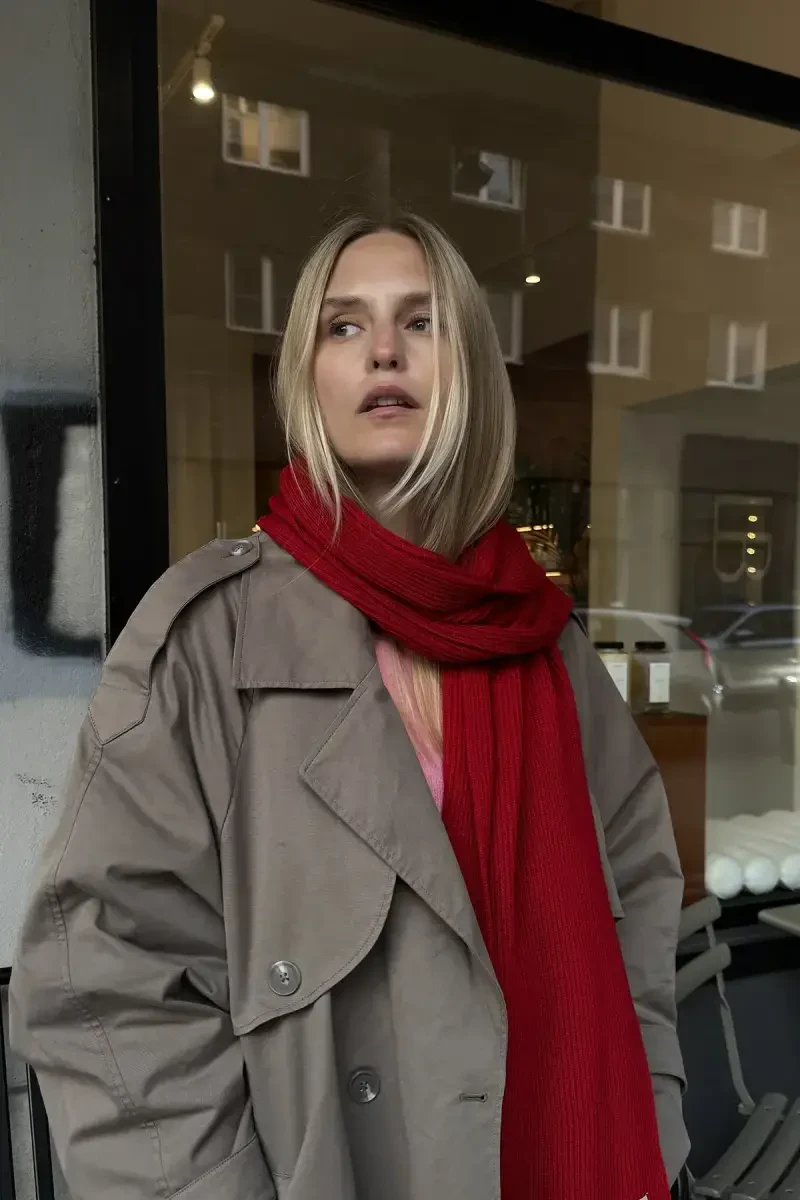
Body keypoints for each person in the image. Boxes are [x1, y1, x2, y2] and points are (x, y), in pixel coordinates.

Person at [10, 213, 689, 1200]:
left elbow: (639, 905)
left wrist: (652, 1110)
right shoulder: (208, 637)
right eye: (343, 326)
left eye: (421, 321)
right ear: (307, 376)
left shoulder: (549, 645)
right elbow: (105, 977)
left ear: (467, 369)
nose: (382, 351)